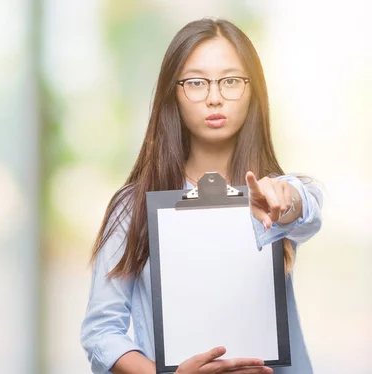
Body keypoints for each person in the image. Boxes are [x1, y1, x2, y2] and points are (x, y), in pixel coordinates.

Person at [79, 18, 323, 374]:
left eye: (231, 81)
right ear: (172, 93)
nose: (214, 97)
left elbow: (306, 209)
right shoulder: (132, 207)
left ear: (254, 90)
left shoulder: (275, 193)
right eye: (196, 82)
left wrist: (287, 201)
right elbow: (101, 331)